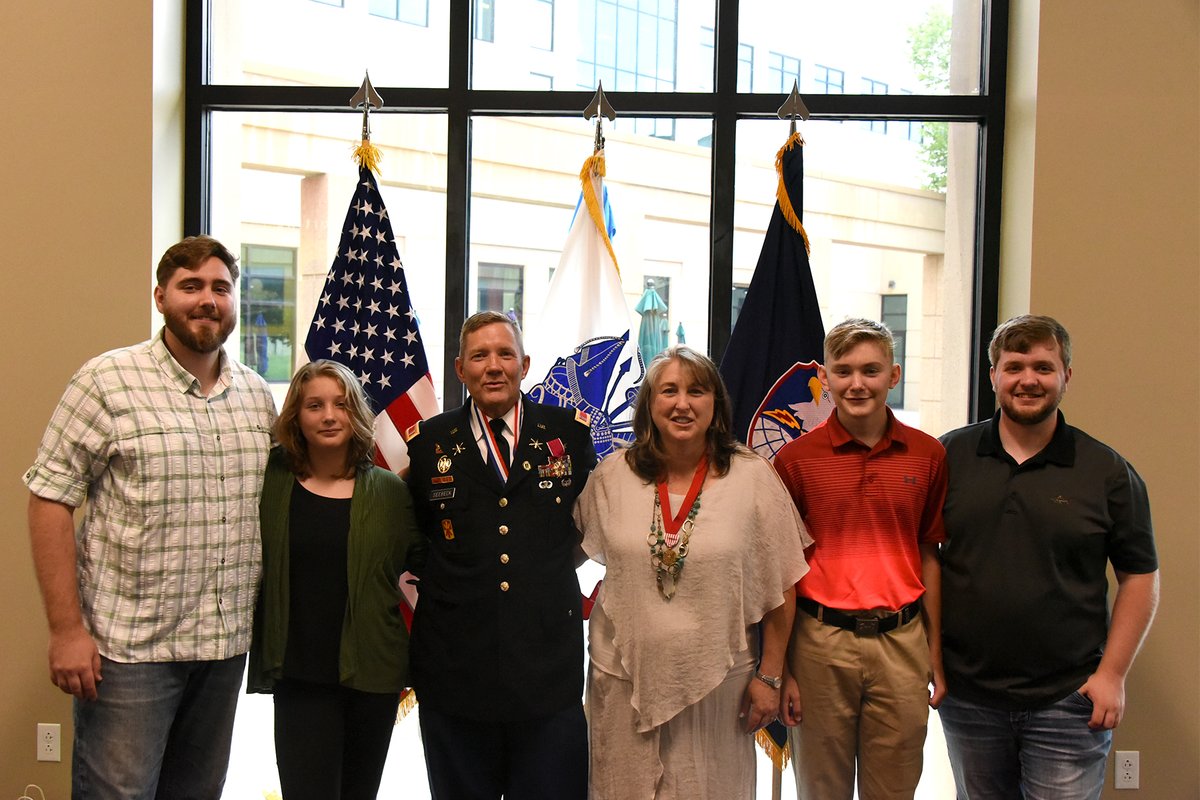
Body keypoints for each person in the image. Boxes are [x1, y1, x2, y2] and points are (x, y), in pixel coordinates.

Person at [24, 235, 276, 799]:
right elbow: (49, 499)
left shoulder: (257, 398)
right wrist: (66, 631)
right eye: (191, 287)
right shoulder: (106, 382)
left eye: (220, 288)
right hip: (129, 654)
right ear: (161, 297)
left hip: (223, 647)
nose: (207, 300)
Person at [937, 315, 1159, 800]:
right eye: (1013, 366)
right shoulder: (948, 458)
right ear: (993, 375)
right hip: (969, 698)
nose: (1028, 380)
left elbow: (1140, 577)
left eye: (1043, 366)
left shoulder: (1108, 473)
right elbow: (920, 562)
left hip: (1070, 698)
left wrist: (1112, 676)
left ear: (1066, 377)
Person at [574, 345, 811, 799]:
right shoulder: (611, 475)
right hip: (623, 681)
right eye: (669, 391)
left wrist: (770, 676)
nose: (682, 403)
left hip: (720, 688)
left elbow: (782, 583)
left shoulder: (753, 477)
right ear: (648, 405)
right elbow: (563, 553)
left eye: (697, 391)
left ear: (716, 406)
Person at [404, 310, 597, 799]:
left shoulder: (568, 435)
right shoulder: (429, 445)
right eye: (480, 356)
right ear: (460, 369)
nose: (494, 366)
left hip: (546, 671)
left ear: (525, 363)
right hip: (456, 671)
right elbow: (419, 540)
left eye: (505, 354)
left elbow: (586, 528)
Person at [772, 318, 948, 800]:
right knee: (819, 789)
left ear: (894, 375)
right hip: (819, 644)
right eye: (843, 371)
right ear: (824, 379)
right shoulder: (795, 460)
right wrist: (782, 669)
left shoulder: (928, 455)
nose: (857, 383)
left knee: (894, 790)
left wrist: (935, 655)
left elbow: (929, 554)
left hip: (902, 643)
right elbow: (780, 572)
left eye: (871, 370)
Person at [247, 359, 420, 799]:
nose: (328, 415)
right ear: (295, 417)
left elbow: (429, 564)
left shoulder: (389, 492)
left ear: (356, 414)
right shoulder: (271, 480)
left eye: (341, 405)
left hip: (373, 676)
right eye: (314, 405)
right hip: (300, 676)